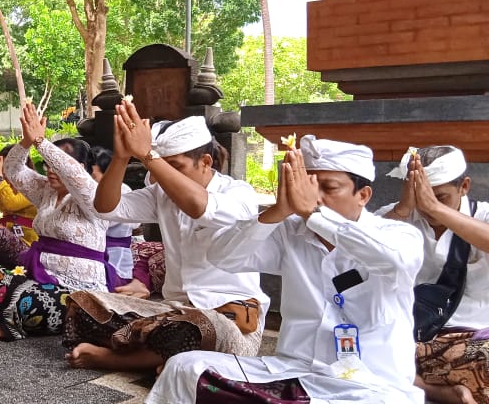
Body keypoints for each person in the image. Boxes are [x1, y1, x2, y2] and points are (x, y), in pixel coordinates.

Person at [146, 135, 425, 404]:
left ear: (363, 195)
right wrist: (277, 212)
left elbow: (394, 259)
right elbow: (224, 257)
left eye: (328, 188)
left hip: (366, 385)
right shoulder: (289, 232)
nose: (314, 197)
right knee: (186, 367)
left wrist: (314, 216)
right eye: (306, 186)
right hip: (291, 373)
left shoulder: (396, 236)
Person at [64, 108, 268, 373]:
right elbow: (105, 206)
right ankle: (166, 359)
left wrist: (148, 156)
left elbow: (198, 206)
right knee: (83, 304)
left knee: (195, 327)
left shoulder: (239, 193)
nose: (161, 175)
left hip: (228, 320)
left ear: (205, 162)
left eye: (175, 167)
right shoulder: (161, 194)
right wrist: (122, 157)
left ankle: (117, 359)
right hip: (170, 312)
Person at [0, 102, 115, 342]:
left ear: (81, 167)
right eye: (48, 164)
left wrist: (41, 143)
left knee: (34, 300)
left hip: (76, 290)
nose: (51, 170)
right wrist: (26, 141)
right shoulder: (46, 190)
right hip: (36, 273)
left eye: (58, 164)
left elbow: (73, 175)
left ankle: (4, 326)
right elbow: (12, 170)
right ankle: (3, 313)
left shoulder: (94, 195)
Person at [378, 145, 489, 404]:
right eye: (422, 198)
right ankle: (441, 392)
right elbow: (360, 247)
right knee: (347, 350)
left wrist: (439, 211)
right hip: (409, 338)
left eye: (440, 197)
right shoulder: (398, 216)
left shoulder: (482, 215)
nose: (427, 209)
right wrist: (405, 209)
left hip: (472, 338)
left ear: (464, 187)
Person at [89, 145, 140, 291]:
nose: (87, 179)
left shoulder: (123, 191)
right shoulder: (90, 189)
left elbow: (101, 220)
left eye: (92, 176)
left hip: (115, 262)